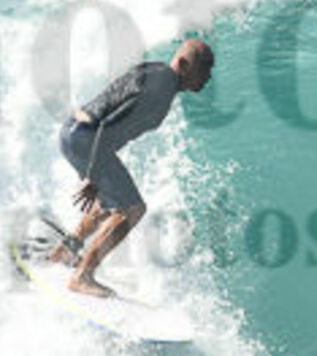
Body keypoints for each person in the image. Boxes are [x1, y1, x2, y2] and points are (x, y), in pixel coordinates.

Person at [49, 38, 214, 297]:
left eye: (210, 70)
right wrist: (93, 176)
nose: (208, 77)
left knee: (109, 202)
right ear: (183, 63)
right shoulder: (161, 85)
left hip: (75, 133)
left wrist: (97, 174)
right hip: (86, 139)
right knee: (132, 209)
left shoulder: (157, 73)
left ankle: (65, 252)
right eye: (203, 68)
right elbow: (107, 126)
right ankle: (82, 275)